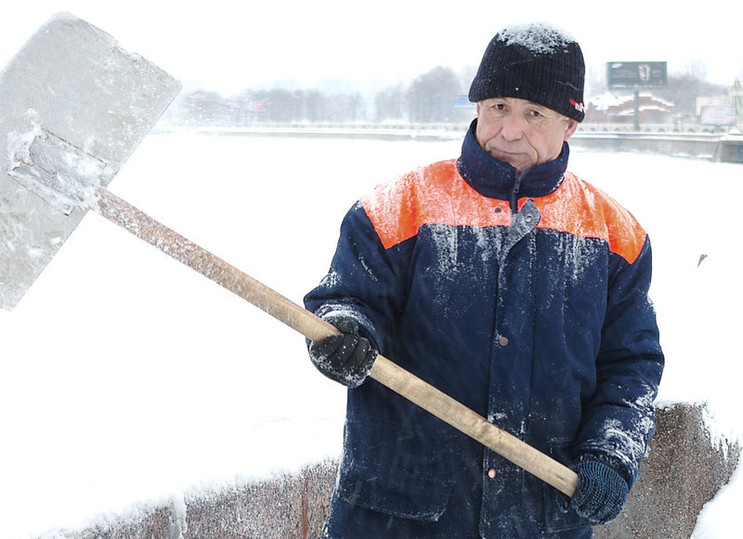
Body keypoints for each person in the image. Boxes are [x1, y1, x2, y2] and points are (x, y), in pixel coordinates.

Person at [304, 22, 664, 538]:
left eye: (534, 114)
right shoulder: (395, 209)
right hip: (397, 514)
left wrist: (611, 449)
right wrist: (344, 333)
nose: (509, 130)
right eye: (498, 107)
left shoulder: (615, 234)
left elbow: (631, 364)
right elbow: (348, 303)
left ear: (570, 124)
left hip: (539, 516)